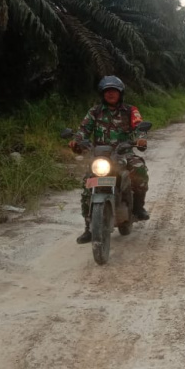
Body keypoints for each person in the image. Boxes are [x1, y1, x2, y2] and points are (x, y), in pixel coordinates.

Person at [69, 76, 150, 244]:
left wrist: (141, 138)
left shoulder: (130, 110)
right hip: (99, 155)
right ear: (102, 94)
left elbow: (139, 126)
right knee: (87, 184)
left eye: (114, 91)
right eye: (107, 91)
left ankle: (138, 207)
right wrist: (77, 140)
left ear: (120, 93)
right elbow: (83, 130)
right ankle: (88, 227)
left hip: (123, 153)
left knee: (140, 171)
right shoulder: (95, 112)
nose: (111, 94)